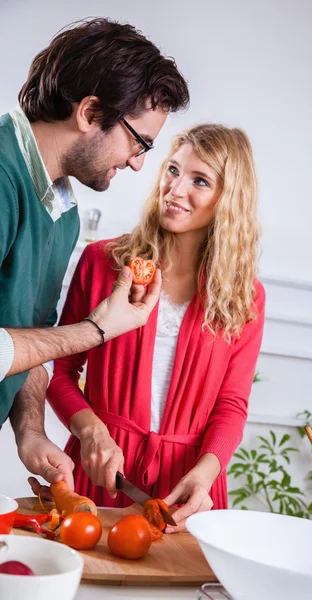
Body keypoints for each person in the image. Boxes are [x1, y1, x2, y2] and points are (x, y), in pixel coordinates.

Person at [45, 124, 265, 531]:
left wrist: (206, 473)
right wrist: (92, 432)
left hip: (188, 490)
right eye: (173, 171)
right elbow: (60, 372)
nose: (175, 189)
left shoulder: (245, 296)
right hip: (102, 474)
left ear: (228, 200)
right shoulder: (103, 262)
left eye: (199, 180)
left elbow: (231, 406)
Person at [0, 17, 189, 490]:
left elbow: (28, 342)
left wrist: (31, 433)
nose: (139, 161)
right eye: (138, 141)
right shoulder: (2, 180)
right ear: (89, 112)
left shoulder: (62, 210)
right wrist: (95, 330)